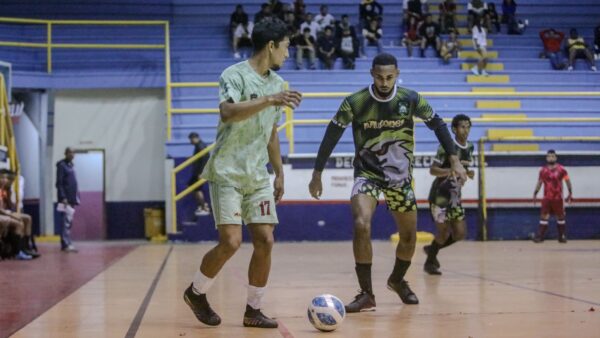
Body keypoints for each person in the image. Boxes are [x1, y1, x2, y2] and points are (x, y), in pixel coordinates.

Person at [308, 53, 467, 312]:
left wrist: (455, 159)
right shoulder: (355, 102)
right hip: (367, 175)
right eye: (380, 77)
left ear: (397, 74)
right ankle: (366, 293)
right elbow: (331, 134)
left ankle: (397, 280)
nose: (384, 82)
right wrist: (317, 173)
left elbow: (438, 124)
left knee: (408, 237)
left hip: (400, 180)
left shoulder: (410, 98)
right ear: (372, 74)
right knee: (361, 223)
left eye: (389, 77)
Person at [183, 17, 302, 329]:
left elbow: (272, 132)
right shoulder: (233, 75)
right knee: (232, 242)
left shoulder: (278, 84)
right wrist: (269, 99)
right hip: (227, 172)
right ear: (271, 45)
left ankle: (253, 310)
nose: (288, 54)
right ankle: (196, 292)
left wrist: (279, 172)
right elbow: (228, 112)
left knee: (265, 239)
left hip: (257, 176)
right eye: (286, 47)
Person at [423, 114, 474, 275]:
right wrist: (450, 171)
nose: (465, 130)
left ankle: (431, 250)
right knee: (443, 233)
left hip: (455, 198)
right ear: (454, 129)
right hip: (440, 196)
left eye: (468, 126)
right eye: (462, 126)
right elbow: (433, 170)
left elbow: (462, 171)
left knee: (460, 233)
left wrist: (467, 173)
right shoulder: (446, 147)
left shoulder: (470, 148)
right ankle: (430, 261)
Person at [533, 150, 572, 243]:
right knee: (544, 216)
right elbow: (539, 182)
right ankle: (540, 236)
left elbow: (567, 181)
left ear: (556, 157)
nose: (551, 157)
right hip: (547, 198)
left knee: (560, 217)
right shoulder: (542, 170)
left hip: (558, 198)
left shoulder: (562, 170)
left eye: (553, 156)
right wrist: (535, 192)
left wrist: (570, 193)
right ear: (546, 158)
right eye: (549, 156)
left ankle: (561, 236)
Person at [56, 147, 80, 253]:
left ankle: (68, 242)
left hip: (72, 198)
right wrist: (63, 197)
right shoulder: (62, 166)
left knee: (69, 222)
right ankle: (65, 244)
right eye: (70, 152)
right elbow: (59, 183)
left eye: (73, 152)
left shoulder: (71, 166)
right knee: (66, 222)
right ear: (65, 153)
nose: (72, 154)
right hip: (65, 200)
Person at [188, 132, 211, 216]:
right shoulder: (199, 145)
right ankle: (203, 205)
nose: (190, 141)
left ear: (195, 138)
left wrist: (201, 173)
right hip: (198, 171)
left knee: (197, 189)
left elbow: (204, 160)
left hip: (199, 172)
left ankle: (204, 208)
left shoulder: (200, 146)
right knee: (193, 186)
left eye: (191, 139)